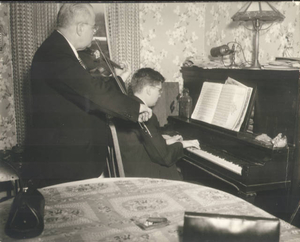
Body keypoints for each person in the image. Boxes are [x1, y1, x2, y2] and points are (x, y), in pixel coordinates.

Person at [23, 3, 152, 188]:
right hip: (65, 163)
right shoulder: (55, 54)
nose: (94, 32)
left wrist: (120, 80)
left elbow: (86, 88)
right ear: (80, 27)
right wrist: (136, 107)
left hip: (73, 158)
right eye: (93, 27)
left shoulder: (60, 49)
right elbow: (92, 92)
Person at [114, 68, 200, 180]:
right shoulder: (144, 113)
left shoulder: (129, 107)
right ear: (149, 90)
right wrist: (183, 144)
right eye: (159, 90)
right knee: (181, 172)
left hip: (129, 169)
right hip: (143, 176)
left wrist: (165, 141)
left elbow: (146, 142)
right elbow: (164, 156)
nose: (160, 95)